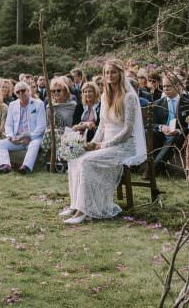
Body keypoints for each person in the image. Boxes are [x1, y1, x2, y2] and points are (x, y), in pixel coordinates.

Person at [59, 60, 147, 224]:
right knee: (76, 156)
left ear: (120, 74)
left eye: (113, 72)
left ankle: (84, 210)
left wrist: (104, 145)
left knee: (87, 161)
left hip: (124, 146)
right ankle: (75, 203)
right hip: (106, 143)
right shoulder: (105, 96)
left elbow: (127, 130)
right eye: (106, 72)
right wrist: (92, 143)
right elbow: (102, 126)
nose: (109, 75)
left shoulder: (128, 97)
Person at [0, 81, 46, 175]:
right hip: (17, 138)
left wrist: (29, 137)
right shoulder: (12, 105)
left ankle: (25, 167)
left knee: (34, 144)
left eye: (23, 90)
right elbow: (8, 124)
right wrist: (11, 137)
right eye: (18, 92)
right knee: (0, 144)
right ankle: (5, 165)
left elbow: (41, 126)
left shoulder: (39, 104)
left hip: (32, 137)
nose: (21, 93)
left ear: (28, 91)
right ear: (15, 93)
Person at [151, 74, 189, 174]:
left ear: (178, 86)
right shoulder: (157, 104)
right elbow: (151, 123)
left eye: (169, 86)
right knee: (152, 134)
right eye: (164, 86)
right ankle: (151, 167)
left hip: (178, 136)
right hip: (161, 133)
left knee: (173, 139)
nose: (166, 89)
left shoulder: (188, 103)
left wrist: (178, 131)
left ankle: (153, 169)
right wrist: (161, 127)